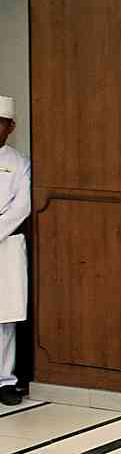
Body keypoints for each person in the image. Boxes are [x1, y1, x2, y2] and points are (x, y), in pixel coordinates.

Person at [0, 95, 30, 407]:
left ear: (11, 127)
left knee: (4, 319)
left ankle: (5, 381)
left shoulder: (20, 164)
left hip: (6, 246)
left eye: (0, 123)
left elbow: (21, 207)